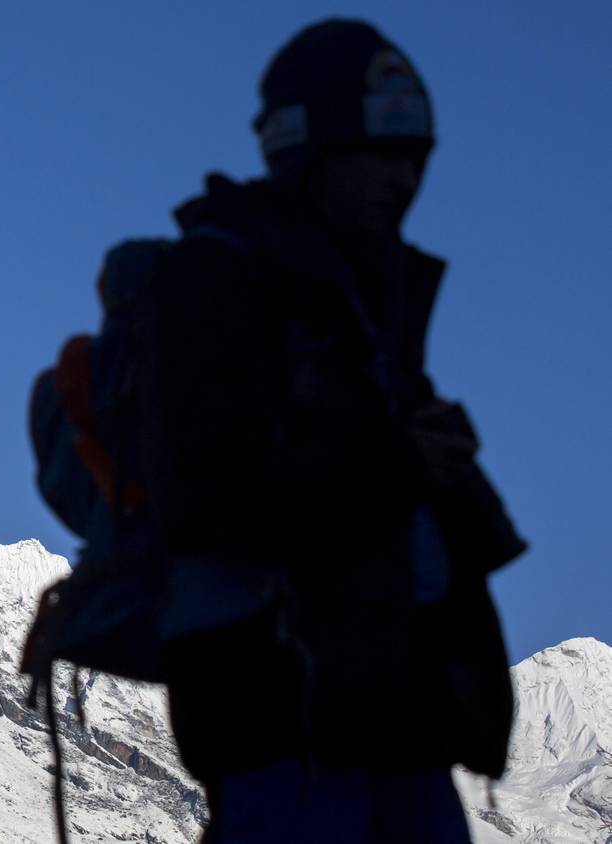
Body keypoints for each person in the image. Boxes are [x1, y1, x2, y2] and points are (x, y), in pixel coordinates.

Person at [138, 19, 526, 843]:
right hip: (282, 706)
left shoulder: (365, 304)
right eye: (381, 154)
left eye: (414, 158)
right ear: (308, 148)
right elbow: (209, 484)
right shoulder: (219, 276)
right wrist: (398, 458)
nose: (404, 180)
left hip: (390, 708)